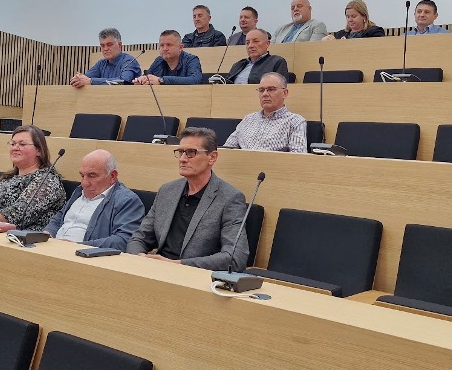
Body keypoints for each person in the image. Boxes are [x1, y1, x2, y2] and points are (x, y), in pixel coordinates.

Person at [126, 127, 248, 271]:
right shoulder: (167, 191)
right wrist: (139, 258)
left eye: (191, 152)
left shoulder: (230, 198)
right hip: (155, 270)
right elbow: (139, 238)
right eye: (180, 152)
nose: (182, 159)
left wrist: (178, 265)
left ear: (212, 157)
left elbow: (235, 258)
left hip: (194, 275)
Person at [0, 125, 66, 230]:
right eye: (13, 144)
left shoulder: (48, 181)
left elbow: (16, 214)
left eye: (22, 144)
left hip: (22, 237)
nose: (15, 148)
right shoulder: (8, 178)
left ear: (39, 150)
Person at [43, 150, 145, 250]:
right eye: (82, 175)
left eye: (92, 175)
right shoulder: (79, 192)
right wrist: (47, 234)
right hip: (53, 250)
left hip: (84, 256)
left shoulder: (127, 201)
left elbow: (123, 241)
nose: (84, 183)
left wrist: (77, 246)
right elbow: (58, 218)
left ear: (112, 176)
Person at [223, 72, 307, 153]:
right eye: (261, 90)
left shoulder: (295, 122)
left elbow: (298, 158)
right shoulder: (248, 119)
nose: (265, 94)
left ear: (284, 93)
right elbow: (227, 150)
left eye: (271, 89)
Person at [69, 28, 141, 87]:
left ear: (119, 45)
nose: (105, 49)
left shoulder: (129, 61)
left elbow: (124, 82)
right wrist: (78, 79)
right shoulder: (101, 63)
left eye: (109, 45)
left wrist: (92, 81)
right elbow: (86, 78)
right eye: (102, 46)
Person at [132, 30, 204, 85]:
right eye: (162, 45)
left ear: (180, 47)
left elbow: (195, 80)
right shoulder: (159, 61)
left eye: (169, 45)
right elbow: (148, 76)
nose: (165, 49)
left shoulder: (191, 60)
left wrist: (162, 80)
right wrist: (142, 80)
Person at [225, 29, 290, 85]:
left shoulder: (276, 62)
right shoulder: (238, 64)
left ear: (267, 44)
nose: (250, 46)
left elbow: (279, 87)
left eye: (255, 41)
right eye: (247, 43)